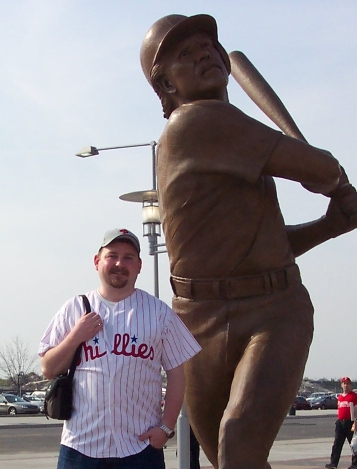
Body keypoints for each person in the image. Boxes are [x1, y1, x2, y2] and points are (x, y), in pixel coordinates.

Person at [140, 14, 357, 469]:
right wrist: (336, 183)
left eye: (208, 46)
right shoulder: (195, 125)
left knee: (237, 447)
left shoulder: (227, 134)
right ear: (166, 88)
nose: (204, 52)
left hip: (273, 311)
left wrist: (331, 224)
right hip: (198, 320)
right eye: (185, 53)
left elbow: (267, 249)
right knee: (232, 458)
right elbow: (319, 170)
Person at [38, 228, 201, 469]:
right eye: (112, 255)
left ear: (139, 265)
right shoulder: (74, 308)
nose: (119, 263)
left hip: (139, 447)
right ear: (97, 261)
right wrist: (76, 336)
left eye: (128, 257)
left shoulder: (158, 312)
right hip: (81, 446)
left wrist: (166, 428)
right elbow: (48, 368)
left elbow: (178, 375)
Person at [325, 377, 357, 469]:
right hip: (340, 422)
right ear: (341, 385)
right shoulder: (340, 397)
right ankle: (333, 463)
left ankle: (355, 464)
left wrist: (355, 422)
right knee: (337, 443)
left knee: (353, 444)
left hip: (350, 422)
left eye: (347, 383)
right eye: (344, 383)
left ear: (350, 385)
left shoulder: (353, 396)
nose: (346, 385)